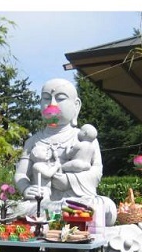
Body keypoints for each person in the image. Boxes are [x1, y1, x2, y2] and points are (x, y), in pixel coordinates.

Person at [14, 78, 115, 227]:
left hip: (76, 201)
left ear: (76, 106)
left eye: (60, 98)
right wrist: (26, 188)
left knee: (103, 206)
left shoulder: (86, 138)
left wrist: (68, 181)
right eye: (46, 98)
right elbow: (21, 174)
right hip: (40, 203)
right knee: (8, 208)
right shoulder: (32, 141)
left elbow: (96, 172)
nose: (52, 104)